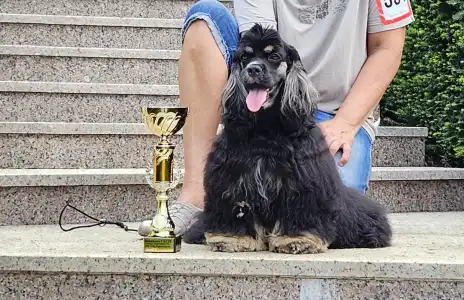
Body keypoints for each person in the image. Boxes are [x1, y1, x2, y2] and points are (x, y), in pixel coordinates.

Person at [149, 0, 414, 236]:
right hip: (270, 102)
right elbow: (261, 46)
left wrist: (345, 123)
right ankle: (196, 192)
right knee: (205, 16)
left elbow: (387, 48)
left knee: (330, 213)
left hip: (340, 110)